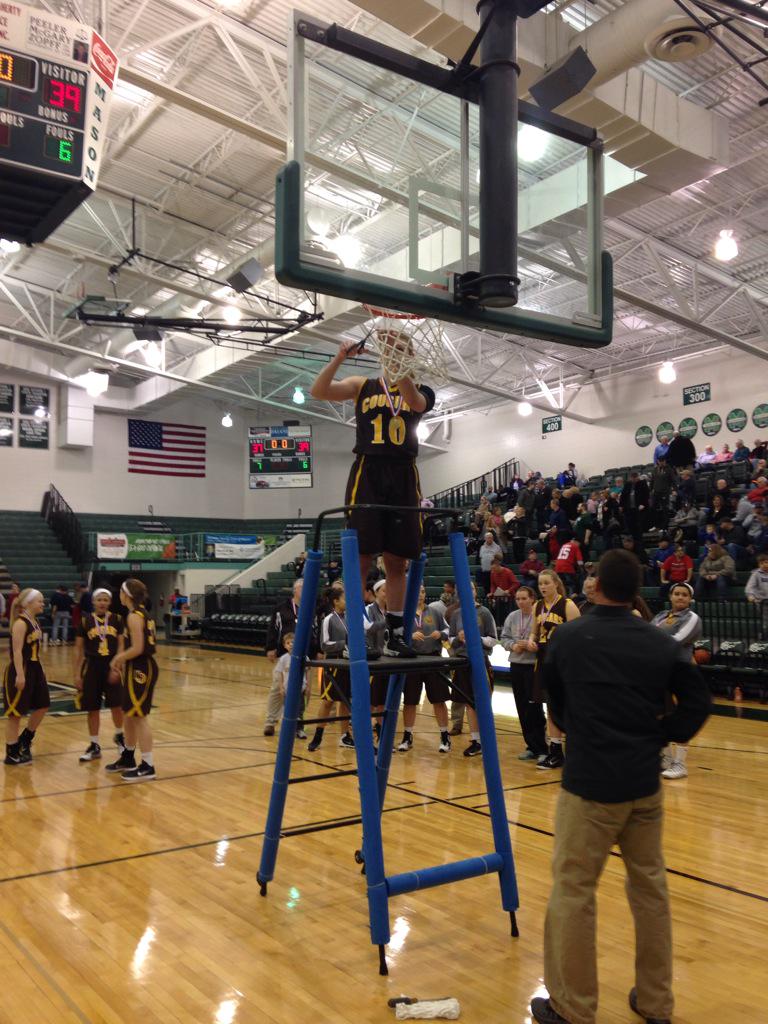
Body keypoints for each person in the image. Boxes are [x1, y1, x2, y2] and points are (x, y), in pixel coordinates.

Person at [529, 550, 710, 1024]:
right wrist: (661, 733)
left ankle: (573, 1007)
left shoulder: (569, 637)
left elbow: (557, 706)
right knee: (651, 893)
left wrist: (581, 728)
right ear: (635, 591)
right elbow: (696, 704)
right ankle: (656, 1003)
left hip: (588, 787)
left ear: (597, 586)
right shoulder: (659, 643)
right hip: (644, 786)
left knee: (573, 892)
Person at [310, 330, 435, 659]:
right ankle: (354, 632)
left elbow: (410, 400)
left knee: (396, 561)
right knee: (362, 557)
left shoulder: (421, 390)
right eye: (390, 348)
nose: (394, 352)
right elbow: (319, 390)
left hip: (403, 473)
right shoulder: (360, 385)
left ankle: (394, 635)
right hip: (369, 471)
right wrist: (339, 357)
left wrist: (399, 359)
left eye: (402, 348)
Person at [106, 579, 159, 781]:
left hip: (141, 668)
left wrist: (118, 658)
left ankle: (148, 765)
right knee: (128, 714)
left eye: (120, 591)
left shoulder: (135, 616)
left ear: (125, 594)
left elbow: (137, 648)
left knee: (139, 716)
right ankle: (128, 757)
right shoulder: (139, 613)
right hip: (135, 666)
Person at [650, 582, 703, 782]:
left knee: (683, 715)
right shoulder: (660, 616)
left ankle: (680, 764)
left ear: (690, 599)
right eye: (676, 594)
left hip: (681, 670)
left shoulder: (691, 618)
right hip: (659, 670)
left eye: (684, 595)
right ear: (670, 597)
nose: (680, 597)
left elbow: (676, 640)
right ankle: (665, 758)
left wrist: (649, 645)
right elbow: (647, 634)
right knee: (659, 712)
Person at [529, 569, 580, 770]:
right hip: (543, 659)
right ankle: (556, 751)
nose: (542, 587)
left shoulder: (568, 605)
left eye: (546, 583)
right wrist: (531, 641)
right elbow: (533, 633)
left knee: (567, 706)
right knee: (550, 706)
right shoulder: (537, 606)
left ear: (556, 584)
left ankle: (575, 749)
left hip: (563, 661)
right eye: (540, 583)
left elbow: (578, 636)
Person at [73, 587, 126, 763]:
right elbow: (78, 650)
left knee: (116, 705)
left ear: (110, 602)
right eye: (99, 600)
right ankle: (94, 745)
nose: (102, 603)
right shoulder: (85, 621)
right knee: (92, 707)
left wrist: (117, 667)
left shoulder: (118, 619)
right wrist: (76, 675)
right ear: (93, 602)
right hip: (92, 667)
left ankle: (120, 737)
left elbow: (121, 646)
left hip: (111, 665)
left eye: (105, 600)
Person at [397, 587, 451, 754]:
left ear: (425, 594)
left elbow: (449, 630)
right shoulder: (403, 614)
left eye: (422, 591)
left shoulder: (434, 611)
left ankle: (444, 736)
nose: (419, 594)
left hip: (433, 659)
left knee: (439, 700)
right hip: (412, 661)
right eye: (416, 591)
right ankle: (407, 736)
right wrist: (409, 636)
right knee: (410, 701)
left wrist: (440, 633)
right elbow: (395, 635)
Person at [448, 582, 497, 758]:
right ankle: (476, 741)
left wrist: (477, 638)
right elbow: (451, 637)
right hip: (462, 661)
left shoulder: (484, 612)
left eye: (472, 589)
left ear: (476, 592)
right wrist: (459, 638)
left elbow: (493, 639)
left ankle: (487, 739)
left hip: (480, 661)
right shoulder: (456, 614)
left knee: (482, 702)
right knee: (469, 703)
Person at [501, 586, 548, 763]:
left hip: (533, 666)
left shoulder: (540, 615)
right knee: (521, 707)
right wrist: (512, 646)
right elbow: (504, 637)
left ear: (532, 599)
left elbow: (546, 639)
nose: (520, 602)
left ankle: (543, 747)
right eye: (518, 599)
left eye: (523, 598)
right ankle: (531, 746)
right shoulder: (512, 617)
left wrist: (534, 647)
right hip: (516, 665)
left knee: (534, 707)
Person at [3, 589, 50, 765]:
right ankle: (12, 752)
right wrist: (20, 675)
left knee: (43, 705)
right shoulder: (20, 623)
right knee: (15, 714)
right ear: (28, 603)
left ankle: (25, 738)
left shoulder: (34, 621)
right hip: (21, 668)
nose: (43, 604)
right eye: (40, 601)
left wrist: (41, 668)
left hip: (35, 667)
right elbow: (16, 651)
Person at [308, 588, 354, 752]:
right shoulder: (328, 619)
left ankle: (345, 736)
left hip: (348, 664)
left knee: (346, 700)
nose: (347, 601)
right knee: (328, 701)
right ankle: (318, 736)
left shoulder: (351, 618)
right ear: (336, 601)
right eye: (344, 598)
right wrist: (345, 643)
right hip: (333, 664)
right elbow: (324, 644)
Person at [264, 579, 305, 736]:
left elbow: (314, 629)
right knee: (277, 689)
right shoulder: (281, 608)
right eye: (302, 587)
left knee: (301, 691)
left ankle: (298, 723)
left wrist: (316, 649)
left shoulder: (309, 608)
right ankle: (270, 721)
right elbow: (273, 629)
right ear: (295, 590)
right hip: (284, 655)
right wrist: (270, 647)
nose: (305, 590)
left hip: (303, 655)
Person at [269, 632, 308, 740]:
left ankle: (300, 729)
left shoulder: (303, 657)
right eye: (288, 643)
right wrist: (281, 687)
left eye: (293, 642)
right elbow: (280, 674)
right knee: (288, 710)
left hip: (300, 689)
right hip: (287, 690)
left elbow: (307, 672)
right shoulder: (283, 659)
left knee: (300, 710)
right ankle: (288, 730)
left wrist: (307, 685)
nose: (291, 644)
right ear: (284, 645)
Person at [620, 472, 649, 540]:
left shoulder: (642, 483)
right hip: (629, 508)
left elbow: (646, 495)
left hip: (639, 508)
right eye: (632, 478)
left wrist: (643, 504)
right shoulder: (628, 484)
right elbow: (623, 495)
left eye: (635, 478)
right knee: (630, 525)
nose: (633, 480)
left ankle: (639, 538)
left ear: (637, 478)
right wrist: (621, 505)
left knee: (638, 526)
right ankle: (632, 537)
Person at [649, 458, 676, 532]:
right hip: (656, 492)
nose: (661, 463)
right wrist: (650, 490)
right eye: (659, 461)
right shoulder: (655, 469)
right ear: (658, 462)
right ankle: (656, 525)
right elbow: (652, 480)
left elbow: (673, 480)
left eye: (662, 461)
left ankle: (664, 527)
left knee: (665, 510)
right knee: (653, 509)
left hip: (665, 492)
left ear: (664, 461)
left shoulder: (669, 469)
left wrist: (674, 490)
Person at [477, 531, 503, 596]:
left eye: (491, 538)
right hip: (485, 568)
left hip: (494, 568)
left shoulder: (497, 547)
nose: (489, 539)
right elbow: (481, 557)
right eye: (488, 538)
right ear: (485, 538)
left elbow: (500, 558)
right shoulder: (482, 547)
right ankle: (487, 596)